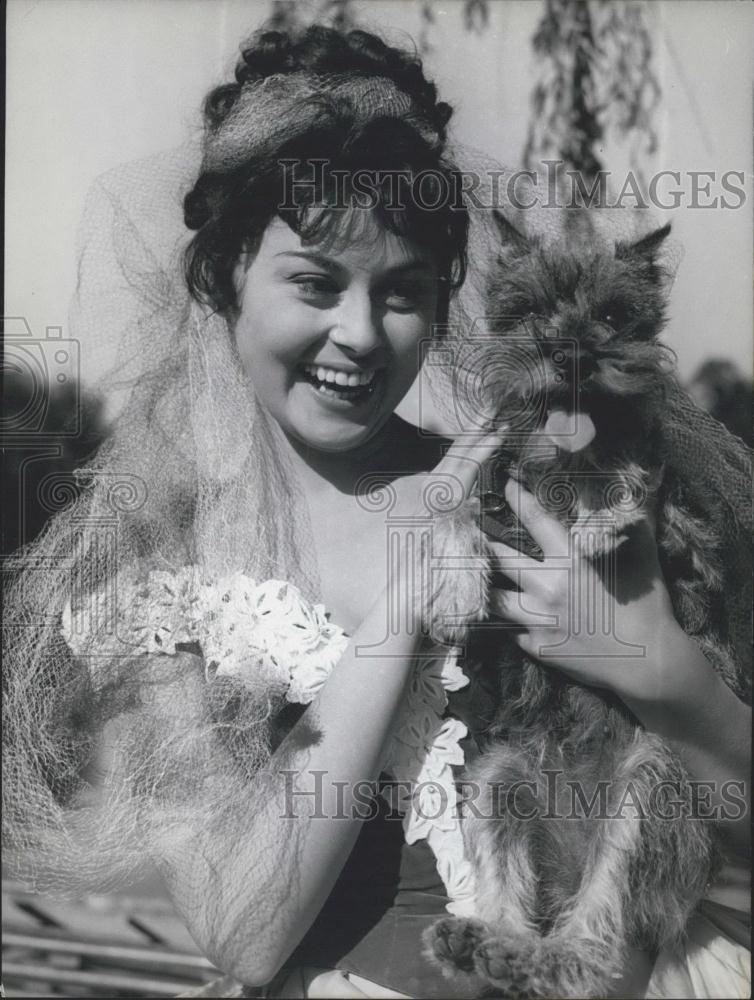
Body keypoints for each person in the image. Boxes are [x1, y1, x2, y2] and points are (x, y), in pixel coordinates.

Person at [3, 23, 750, 1000]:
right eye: (314, 282)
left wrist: (661, 667)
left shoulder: (533, 498)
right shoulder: (166, 580)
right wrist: (397, 608)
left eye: (400, 293)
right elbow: (245, 932)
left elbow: (717, 801)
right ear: (226, 272)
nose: (357, 335)